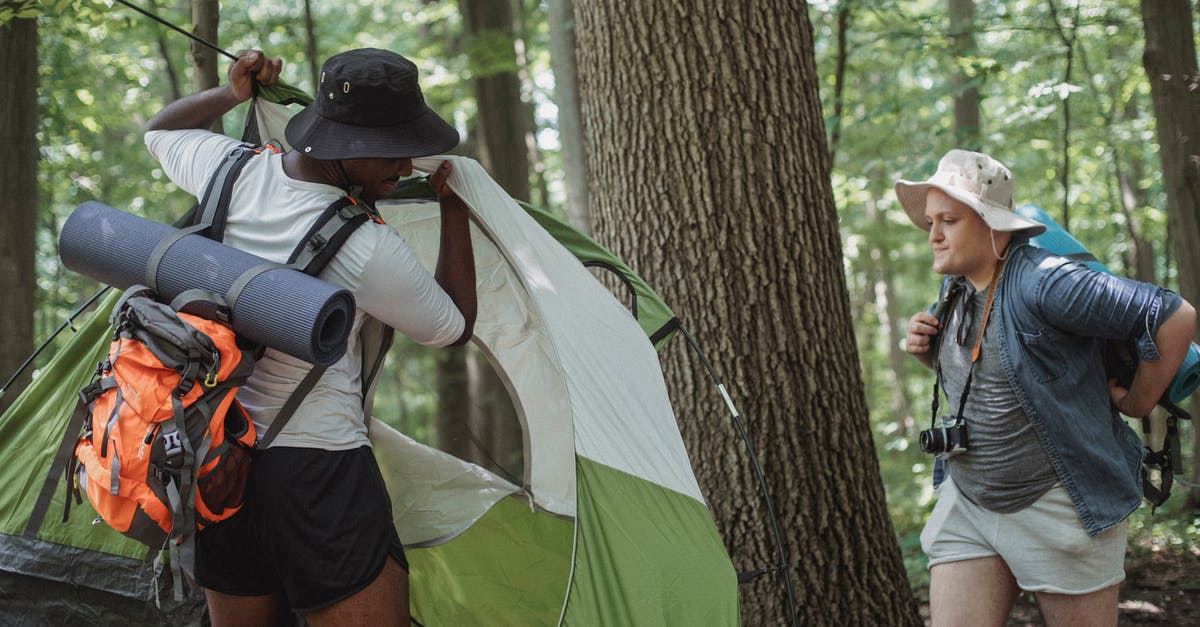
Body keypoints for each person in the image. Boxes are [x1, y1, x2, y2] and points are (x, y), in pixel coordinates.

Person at [144, 48, 477, 626]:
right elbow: (452, 328)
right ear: (347, 149)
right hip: (318, 472)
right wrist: (454, 212)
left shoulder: (228, 166)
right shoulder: (367, 247)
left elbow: (161, 129)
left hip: (215, 464)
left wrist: (232, 94)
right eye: (393, 151)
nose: (404, 166)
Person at [900, 149, 1195, 627]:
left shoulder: (1047, 281)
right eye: (931, 221)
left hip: (1058, 507)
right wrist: (928, 356)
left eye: (948, 220)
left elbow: (1174, 315)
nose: (932, 234)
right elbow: (996, 382)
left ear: (992, 223)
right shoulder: (955, 289)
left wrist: (1139, 402)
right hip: (969, 502)